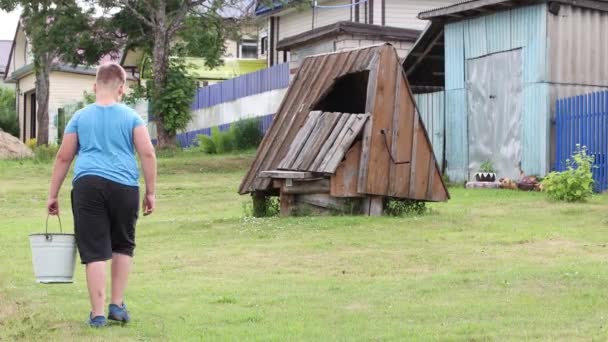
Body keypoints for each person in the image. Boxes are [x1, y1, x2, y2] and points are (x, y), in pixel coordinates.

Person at [46, 63, 157, 328]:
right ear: (122, 89)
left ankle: (97, 314)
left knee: (94, 250)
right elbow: (148, 153)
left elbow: (63, 157)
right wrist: (151, 192)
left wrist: (52, 195)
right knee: (122, 244)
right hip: (125, 187)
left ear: (95, 86)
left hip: (88, 185)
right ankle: (117, 306)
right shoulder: (132, 117)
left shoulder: (79, 118)